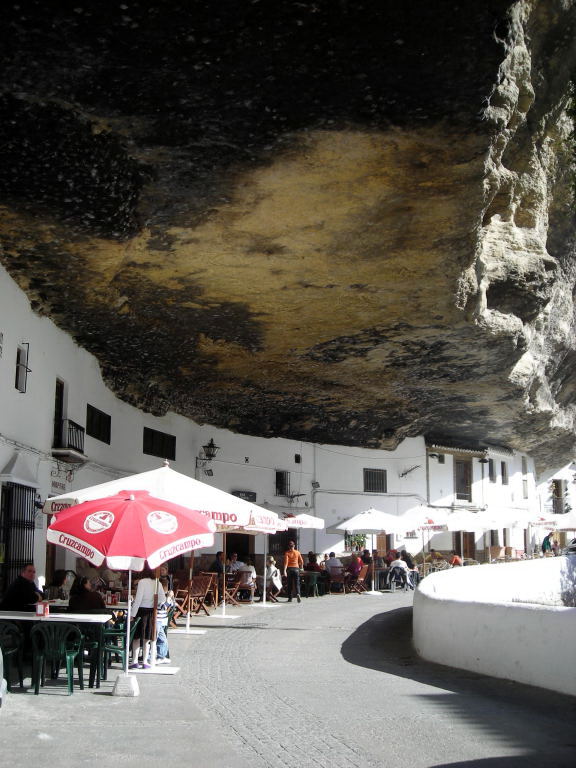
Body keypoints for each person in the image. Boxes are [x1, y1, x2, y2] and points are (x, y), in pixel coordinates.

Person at [130, 568, 166, 669]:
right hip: (151, 612)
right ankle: (145, 661)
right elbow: (162, 598)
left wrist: (132, 614)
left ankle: (134, 661)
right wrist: (153, 602)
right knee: (147, 638)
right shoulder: (157, 583)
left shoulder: (142, 582)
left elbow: (138, 599)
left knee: (136, 638)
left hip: (140, 611)